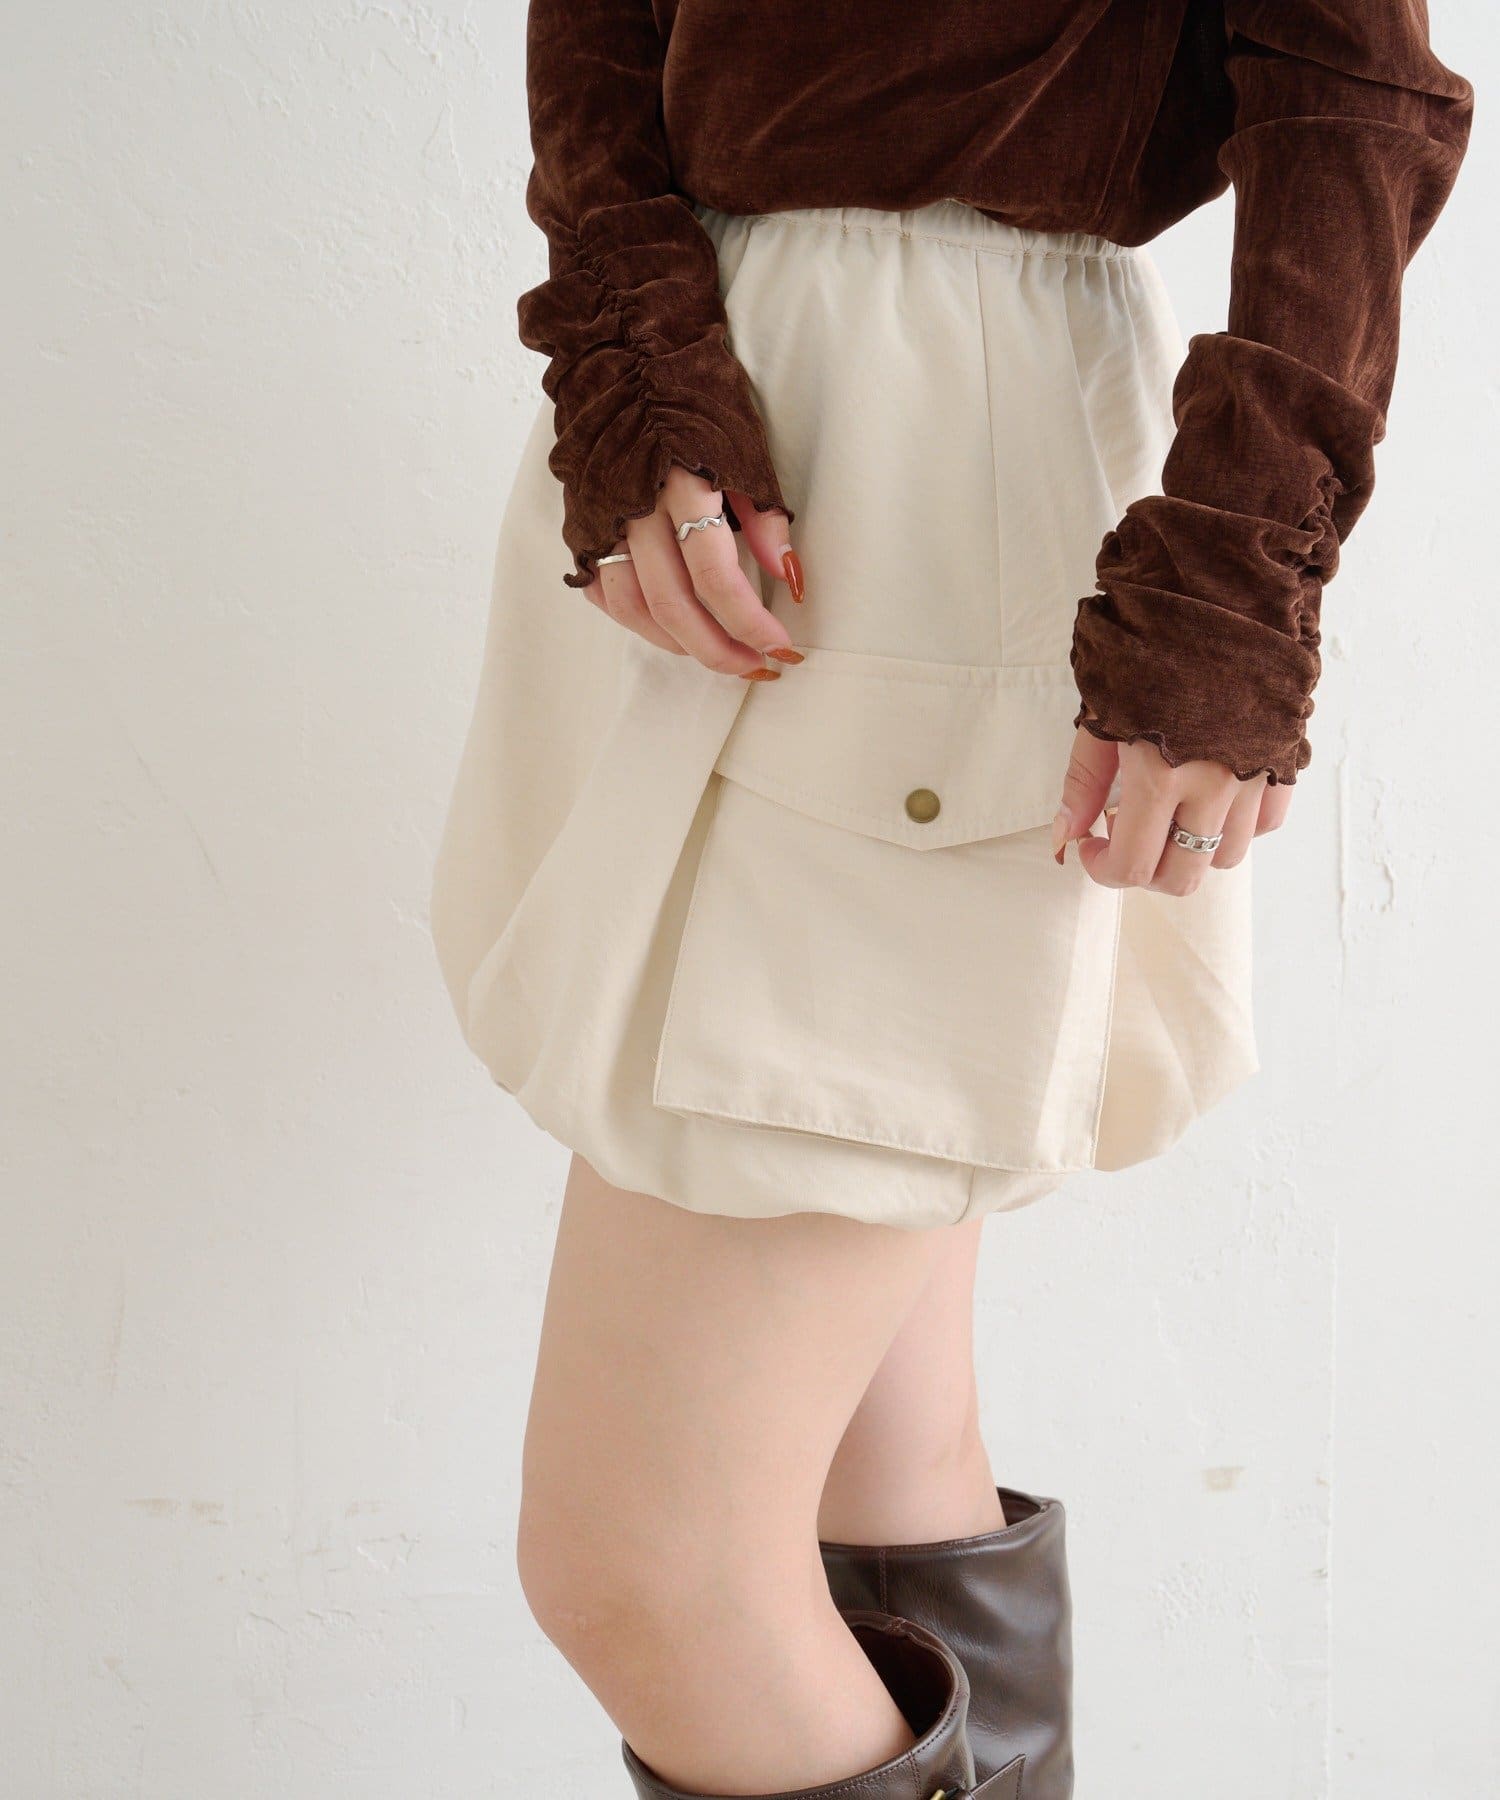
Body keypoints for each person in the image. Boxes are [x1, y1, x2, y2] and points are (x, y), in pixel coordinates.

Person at [430, 5, 1473, 1795]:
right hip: (715, 452)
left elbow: (1353, 95)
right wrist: (637, 357)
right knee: (885, 1476)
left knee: (649, 1571)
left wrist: (1237, 574)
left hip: (931, 476)